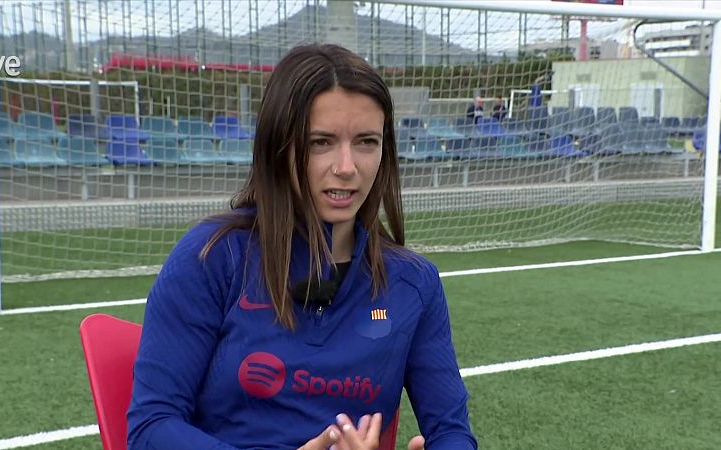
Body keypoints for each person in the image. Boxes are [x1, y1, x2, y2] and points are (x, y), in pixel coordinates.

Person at [127, 44, 478, 450]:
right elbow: (151, 426)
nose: (347, 167)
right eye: (320, 142)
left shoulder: (414, 284)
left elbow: (452, 431)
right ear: (278, 147)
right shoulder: (212, 258)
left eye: (366, 141)